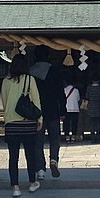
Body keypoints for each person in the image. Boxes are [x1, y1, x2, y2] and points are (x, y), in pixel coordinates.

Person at [0, 54, 42, 197]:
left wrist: (8, 116)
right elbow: (36, 100)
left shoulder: (5, 81)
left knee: (13, 156)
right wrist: (40, 119)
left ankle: (15, 187)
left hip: (11, 123)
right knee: (30, 154)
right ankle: (31, 182)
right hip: (27, 123)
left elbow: (4, 102)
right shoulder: (30, 80)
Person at [29, 45, 66, 178]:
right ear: (48, 56)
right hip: (53, 110)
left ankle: (40, 170)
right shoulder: (54, 71)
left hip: (36, 112)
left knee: (38, 141)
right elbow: (60, 93)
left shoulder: (30, 73)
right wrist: (63, 109)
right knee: (55, 138)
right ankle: (54, 160)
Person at [85, 72, 100, 142]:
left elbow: (87, 97)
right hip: (99, 106)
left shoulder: (89, 88)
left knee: (92, 122)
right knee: (98, 122)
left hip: (91, 106)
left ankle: (92, 136)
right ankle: (98, 136)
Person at [63, 76, 81, 143]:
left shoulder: (64, 90)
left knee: (66, 124)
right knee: (74, 123)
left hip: (67, 109)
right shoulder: (76, 90)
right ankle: (73, 137)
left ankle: (67, 137)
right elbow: (78, 99)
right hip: (75, 109)